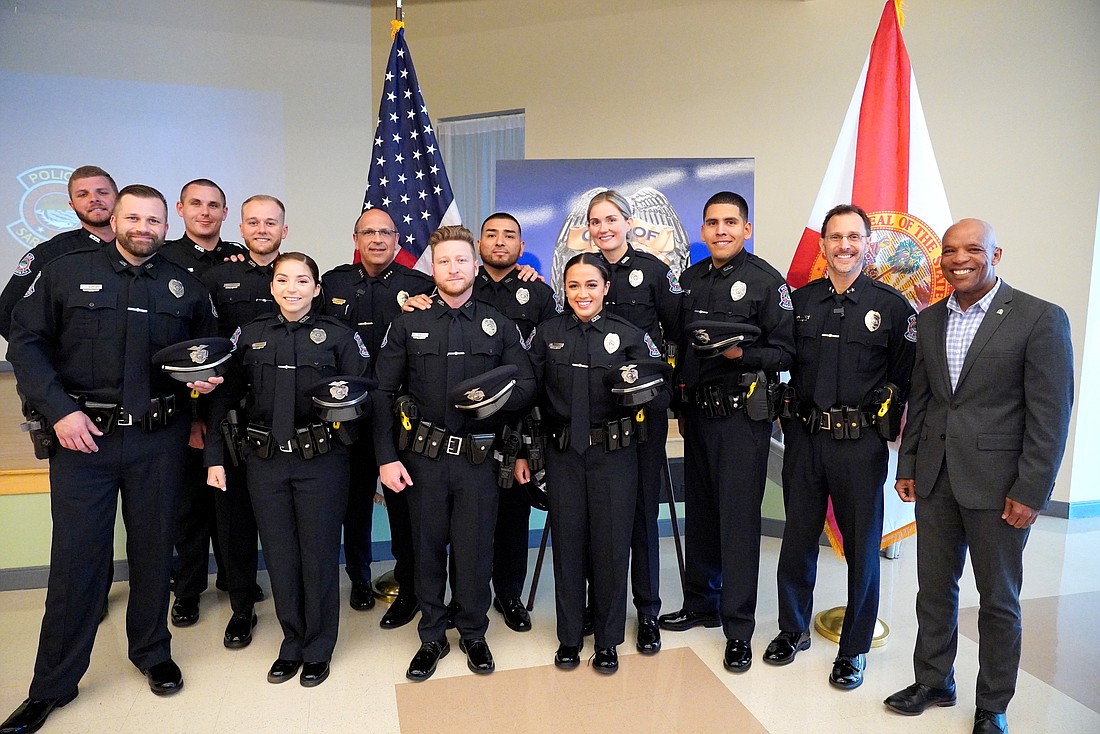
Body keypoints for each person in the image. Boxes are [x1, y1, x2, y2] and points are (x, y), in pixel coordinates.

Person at [1, 185, 221, 734]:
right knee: (77, 562)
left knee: (154, 550)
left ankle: (151, 651)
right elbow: (25, 344)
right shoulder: (65, 272)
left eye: (154, 220)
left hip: (158, 440)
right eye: (134, 217)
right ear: (115, 220)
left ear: (165, 226)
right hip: (84, 438)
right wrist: (57, 412)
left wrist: (202, 387)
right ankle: (51, 684)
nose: (143, 227)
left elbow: (203, 355)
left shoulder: (185, 287)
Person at [884, 219, 1073, 734]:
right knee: (934, 589)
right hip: (937, 480)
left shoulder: (1039, 318)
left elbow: (1050, 416)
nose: (958, 258)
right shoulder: (929, 321)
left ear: (997, 254)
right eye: (949, 250)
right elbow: (922, 401)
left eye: (972, 249)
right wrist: (908, 466)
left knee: (998, 600)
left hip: (1001, 488)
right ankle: (934, 681)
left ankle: (992, 704)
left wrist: (1031, 491)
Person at [373, 225, 535, 682]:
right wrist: (385, 458)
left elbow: (526, 385)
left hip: (479, 461)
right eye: (443, 261)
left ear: (474, 263)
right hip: (421, 459)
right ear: (432, 267)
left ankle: (473, 631)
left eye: (461, 260)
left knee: (474, 548)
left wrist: (490, 400)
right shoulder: (408, 322)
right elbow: (383, 393)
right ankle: (431, 635)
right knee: (425, 550)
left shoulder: (498, 324)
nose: (453, 268)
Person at [766, 204, 916, 689]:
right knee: (797, 539)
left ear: (867, 243)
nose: (844, 245)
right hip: (806, 439)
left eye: (854, 237)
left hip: (859, 447)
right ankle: (793, 629)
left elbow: (907, 378)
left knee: (862, 547)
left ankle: (853, 649)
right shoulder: (800, 301)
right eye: (835, 237)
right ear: (824, 245)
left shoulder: (892, 308)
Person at [205, 251, 371, 688]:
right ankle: (291, 640)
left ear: (317, 289)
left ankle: (318, 647)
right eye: (283, 280)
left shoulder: (339, 336)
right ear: (272, 286)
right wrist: (213, 456)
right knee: (279, 554)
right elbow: (224, 397)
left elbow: (364, 398)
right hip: (264, 461)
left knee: (317, 554)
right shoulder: (249, 335)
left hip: (321, 459)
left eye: (302, 280)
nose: (292, 288)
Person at [659, 191, 795, 673]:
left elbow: (785, 354)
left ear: (746, 229)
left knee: (737, 523)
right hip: (696, 416)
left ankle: (738, 628)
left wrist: (744, 356)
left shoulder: (766, 282)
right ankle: (701, 604)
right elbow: (675, 341)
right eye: (712, 222)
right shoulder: (688, 280)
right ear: (702, 231)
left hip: (741, 419)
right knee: (701, 514)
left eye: (731, 222)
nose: (721, 230)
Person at [515, 252, 668, 674]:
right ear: (565, 289)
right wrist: (525, 451)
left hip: (615, 457)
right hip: (564, 455)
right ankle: (569, 638)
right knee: (569, 545)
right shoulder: (547, 335)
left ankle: (607, 640)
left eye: (591, 285)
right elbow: (527, 394)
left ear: (606, 288)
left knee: (611, 547)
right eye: (574, 285)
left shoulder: (630, 334)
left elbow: (660, 391)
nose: (582, 293)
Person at [321, 207, 435, 624]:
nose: (376, 239)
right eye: (368, 232)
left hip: (398, 416)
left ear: (398, 240)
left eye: (385, 232)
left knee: (403, 504)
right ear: (356, 239)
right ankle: (359, 578)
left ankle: (409, 580)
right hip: (347, 415)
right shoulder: (332, 283)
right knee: (353, 504)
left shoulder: (420, 287)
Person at [587, 190, 680, 654]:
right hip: (596, 416)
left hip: (643, 413)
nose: (604, 228)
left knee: (643, 511)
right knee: (596, 514)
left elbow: (675, 337)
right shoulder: (582, 271)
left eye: (611, 219)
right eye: (596, 221)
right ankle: (597, 606)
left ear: (628, 222)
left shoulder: (655, 272)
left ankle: (646, 612)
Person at [199, 195, 288, 650]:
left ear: (284, 230)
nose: (261, 228)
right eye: (253, 221)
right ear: (241, 226)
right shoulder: (218, 277)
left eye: (270, 222)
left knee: (284, 519)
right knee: (234, 522)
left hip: (286, 417)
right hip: (232, 414)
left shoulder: (298, 274)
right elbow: (201, 348)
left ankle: (296, 603)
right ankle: (241, 611)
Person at [159, 179, 249, 629]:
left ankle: (235, 581)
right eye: (196, 204)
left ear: (225, 211)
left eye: (214, 205)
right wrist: (194, 416)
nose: (205, 212)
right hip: (182, 403)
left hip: (228, 402)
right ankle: (188, 590)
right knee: (188, 506)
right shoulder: (164, 259)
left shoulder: (240, 257)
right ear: (180, 209)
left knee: (229, 504)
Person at [469, 212, 557, 631]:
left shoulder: (537, 295)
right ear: (478, 244)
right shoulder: (458, 286)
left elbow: (541, 371)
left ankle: (509, 593)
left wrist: (523, 444)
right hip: (465, 426)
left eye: (509, 236)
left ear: (522, 248)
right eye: (491, 235)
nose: (500, 242)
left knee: (511, 516)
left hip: (515, 425)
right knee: (465, 516)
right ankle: (468, 596)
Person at [0, 165, 117, 341]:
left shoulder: (142, 250)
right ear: (72, 204)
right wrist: (43, 359)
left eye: (102, 192)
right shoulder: (49, 254)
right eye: (83, 194)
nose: (94, 199)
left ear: (118, 199)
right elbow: (6, 314)